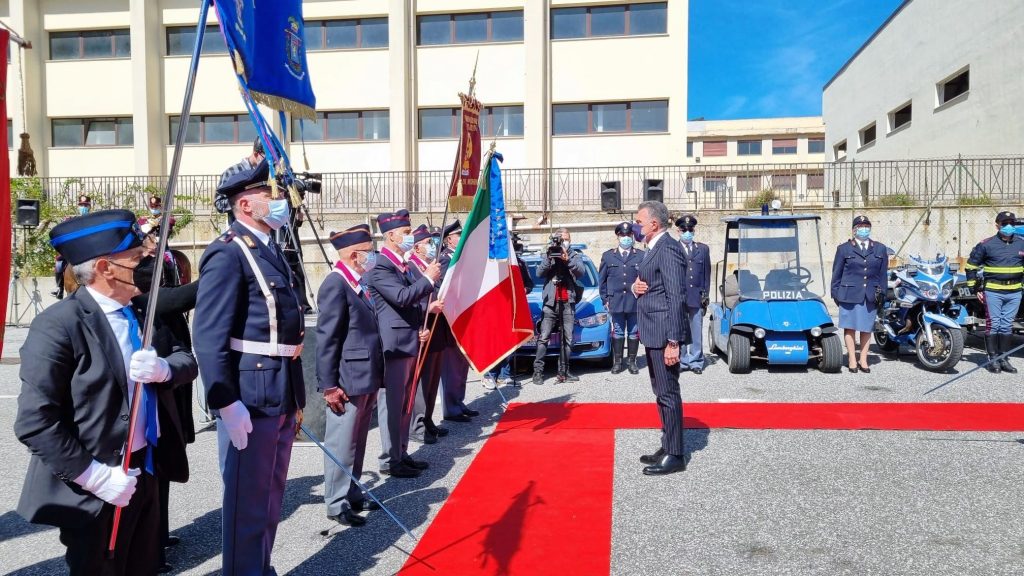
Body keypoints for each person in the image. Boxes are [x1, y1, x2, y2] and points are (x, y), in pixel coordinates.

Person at [15, 209, 197, 575]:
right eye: (137, 258)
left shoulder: (142, 309)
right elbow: (35, 421)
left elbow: (186, 359)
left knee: (144, 566)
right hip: (96, 482)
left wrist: (164, 370)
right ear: (105, 268)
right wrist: (94, 476)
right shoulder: (59, 325)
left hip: (146, 469)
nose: (148, 262)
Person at [193, 158, 306, 575]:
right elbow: (208, 337)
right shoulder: (227, 253)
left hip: (280, 386)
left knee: (270, 496)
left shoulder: (271, 248)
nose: (280, 203)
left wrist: (297, 395)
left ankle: (259, 567)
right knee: (247, 501)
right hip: (249, 394)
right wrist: (224, 401)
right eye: (271, 196)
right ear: (245, 205)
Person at [130, 250, 199, 573]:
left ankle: (161, 533)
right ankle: (151, 545)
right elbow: (186, 296)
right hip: (158, 399)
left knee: (165, 471)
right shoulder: (147, 300)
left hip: (174, 389)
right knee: (154, 474)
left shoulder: (157, 302)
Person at [316, 224, 383, 529]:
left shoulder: (358, 281)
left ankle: (353, 490)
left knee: (356, 441)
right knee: (341, 443)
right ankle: (336, 502)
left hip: (365, 374)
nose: (373, 257)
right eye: (369, 252)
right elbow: (327, 338)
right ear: (355, 255)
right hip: (347, 378)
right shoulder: (336, 282)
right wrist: (329, 385)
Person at [367, 210, 440, 478]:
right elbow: (401, 297)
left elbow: (413, 304)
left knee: (406, 403)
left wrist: (421, 322)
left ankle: (401, 452)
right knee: (393, 404)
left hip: (409, 340)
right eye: (406, 233)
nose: (410, 236)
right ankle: (390, 458)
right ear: (391, 236)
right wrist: (429, 278)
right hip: (394, 346)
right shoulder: (381, 265)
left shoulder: (402, 264)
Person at [632, 201, 689, 476]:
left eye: (639, 221)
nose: (636, 226)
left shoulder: (668, 248)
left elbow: (676, 297)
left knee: (668, 393)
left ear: (654, 224)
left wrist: (674, 342)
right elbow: (651, 285)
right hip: (653, 332)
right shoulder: (652, 248)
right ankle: (668, 445)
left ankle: (676, 454)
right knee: (661, 393)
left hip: (665, 333)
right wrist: (635, 287)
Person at [966, 210, 1024, 373]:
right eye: (1004, 224)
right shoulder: (986, 244)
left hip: (1014, 292)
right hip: (993, 292)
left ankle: (1004, 359)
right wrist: (975, 288)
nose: (1008, 226)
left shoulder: (1021, 244)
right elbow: (971, 267)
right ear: (997, 225)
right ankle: (993, 359)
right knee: (994, 325)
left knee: (1006, 326)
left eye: (1011, 223)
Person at [830, 215, 888, 373]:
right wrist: (836, 295)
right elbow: (836, 274)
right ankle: (851, 359)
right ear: (854, 229)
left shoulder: (879, 248)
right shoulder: (844, 249)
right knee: (849, 328)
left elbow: (883, 275)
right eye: (860, 226)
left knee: (866, 328)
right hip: (849, 294)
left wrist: (882, 294)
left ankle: (863, 359)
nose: (864, 229)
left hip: (870, 294)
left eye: (866, 226)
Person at [407, 224, 448, 444]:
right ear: (416, 249)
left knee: (433, 380)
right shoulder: (412, 268)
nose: (432, 246)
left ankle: (429, 420)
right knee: (422, 382)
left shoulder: (433, 265)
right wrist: (427, 308)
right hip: (423, 327)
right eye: (427, 243)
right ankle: (417, 425)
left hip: (437, 328)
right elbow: (410, 299)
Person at [437, 219, 480, 421]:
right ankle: (450, 408)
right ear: (448, 239)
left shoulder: (459, 257)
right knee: (452, 367)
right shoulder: (445, 259)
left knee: (462, 365)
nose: (461, 237)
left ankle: (459, 402)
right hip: (451, 321)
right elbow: (447, 288)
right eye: (458, 235)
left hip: (464, 319)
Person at [532, 227, 586, 385]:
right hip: (550, 303)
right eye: (561, 239)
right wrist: (550, 259)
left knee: (567, 339)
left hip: (567, 303)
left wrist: (567, 259)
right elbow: (539, 273)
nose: (565, 242)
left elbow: (581, 271)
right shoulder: (548, 254)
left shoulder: (574, 255)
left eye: (567, 239)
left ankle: (563, 371)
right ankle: (538, 372)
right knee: (543, 338)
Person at [483, 232, 535, 388]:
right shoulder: (491, 263)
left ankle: (505, 375)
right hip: (495, 310)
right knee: (495, 343)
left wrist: (524, 290)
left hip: (512, 309)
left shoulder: (519, 263)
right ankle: (490, 375)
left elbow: (529, 284)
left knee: (510, 343)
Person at [598, 222, 644, 375]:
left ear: (632, 236)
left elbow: (645, 278)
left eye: (628, 235)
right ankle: (618, 362)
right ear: (618, 236)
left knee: (633, 332)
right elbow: (602, 280)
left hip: (634, 301)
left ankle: (632, 361)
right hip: (615, 301)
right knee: (617, 331)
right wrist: (604, 299)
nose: (626, 238)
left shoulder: (641, 255)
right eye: (623, 235)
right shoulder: (608, 255)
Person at [677, 214, 712, 375]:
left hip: (696, 296)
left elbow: (706, 274)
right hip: (679, 296)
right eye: (684, 229)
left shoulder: (702, 249)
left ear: (694, 230)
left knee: (696, 329)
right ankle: (683, 360)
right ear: (678, 231)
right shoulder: (673, 249)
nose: (687, 232)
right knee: (681, 330)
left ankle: (697, 360)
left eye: (690, 229)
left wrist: (705, 295)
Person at [215, 138, 265, 226]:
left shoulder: (266, 174)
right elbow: (219, 204)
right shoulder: (231, 172)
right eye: (266, 158)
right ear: (256, 154)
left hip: (265, 232)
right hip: (240, 231)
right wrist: (241, 202)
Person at [52, 195, 92, 299]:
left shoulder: (93, 220)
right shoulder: (71, 220)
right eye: (81, 205)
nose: (83, 207)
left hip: (89, 250)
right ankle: (59, 288)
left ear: (89, 207)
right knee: (59, 263)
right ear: (78, 206)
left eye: (85, 205)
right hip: (74, 249)